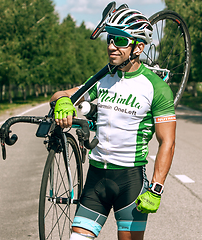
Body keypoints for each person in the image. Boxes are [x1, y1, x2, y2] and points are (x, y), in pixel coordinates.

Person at [50, 7, 176, 240]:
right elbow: (61, 94)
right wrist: (64, 102)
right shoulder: (103, 79)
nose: (111, 46)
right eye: (110, 39)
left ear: (138, 47)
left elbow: (167, 142)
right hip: (96, 180)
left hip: (129, 182)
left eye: (119, 40)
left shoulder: (156, 88)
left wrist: (156, 188)